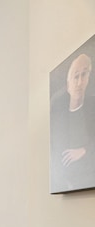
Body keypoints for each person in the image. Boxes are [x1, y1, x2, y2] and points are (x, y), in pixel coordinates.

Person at [50, 53, 95, 193]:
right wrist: (64, 183)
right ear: (68, 83)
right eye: (76, 76)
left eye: (84, 75)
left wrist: (84, 150)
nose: (80, 82)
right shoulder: (58, 113)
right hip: (67, 183)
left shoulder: (92, 107)